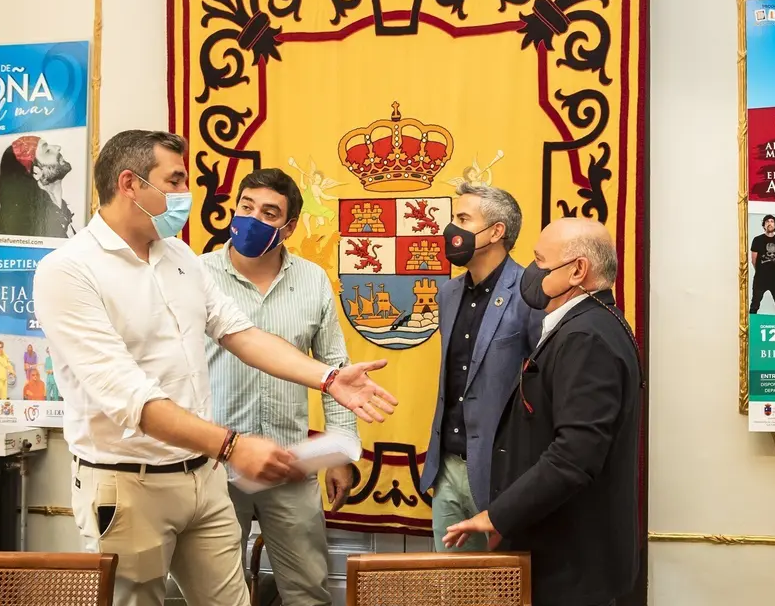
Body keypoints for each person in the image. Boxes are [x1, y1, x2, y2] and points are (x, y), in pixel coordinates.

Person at [32, 130, 398, 606]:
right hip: (129, 482)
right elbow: (130, 396)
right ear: (130, 183)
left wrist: (327, 378)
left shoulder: (179, 257)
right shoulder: (69, 270)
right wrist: (232, 445)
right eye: (176, 179)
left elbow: (241, 333)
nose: (189, 193)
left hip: (203, 478)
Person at [443, 218, 641, 606]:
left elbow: (574, 457)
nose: (530, 273)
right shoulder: (591, 324)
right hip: (565, 557)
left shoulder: (587, 337)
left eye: (539, 261)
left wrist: (497, 515)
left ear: (577, 271)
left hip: (571, 566)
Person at [202, 168, 358, 605]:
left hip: (289, 462)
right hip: (214, 464)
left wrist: (341, 452)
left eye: (269, 213)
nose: (252, 218)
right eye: (246, 206)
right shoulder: (195, 274)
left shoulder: (313, 281)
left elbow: (335, 369)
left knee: (307, 591)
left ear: (288, 228)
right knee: (213, 593)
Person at [421, 184, 541, 552]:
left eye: (462, 219)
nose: (451, 229)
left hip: (503, 474)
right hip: (447, 468)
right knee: (450, 589)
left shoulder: (530, 292)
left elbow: (540, 387)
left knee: (504, 587)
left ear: (496, 231)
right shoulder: (448, 293)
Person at [0, 134, 77, 238]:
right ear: (36, 172)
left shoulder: (61, 213)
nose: (57, 147)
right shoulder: (27, 229)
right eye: (47, 151)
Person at [748, 215, 775, 314]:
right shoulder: (757, 240)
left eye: (772, 221)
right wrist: (760, 270)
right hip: (760, 279)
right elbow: (754, 260)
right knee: (755, 304)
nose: (770, 223)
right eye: (767, 221)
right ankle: (751, 327)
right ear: (764, 225)